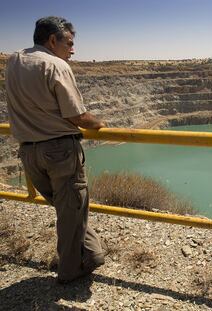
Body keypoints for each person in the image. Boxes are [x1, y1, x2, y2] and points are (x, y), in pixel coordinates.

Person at [5, 16, 106, 284]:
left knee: (68, 207)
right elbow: (77, 116)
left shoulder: (14, 60)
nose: (72, 50)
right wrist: (99, 123)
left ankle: (89, 253)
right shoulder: (55, 65)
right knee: (72, 206)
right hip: (59, 151)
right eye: (69, 43)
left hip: (29, 153)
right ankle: (73, 269)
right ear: (53, 40)